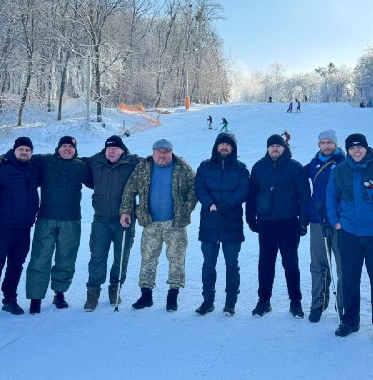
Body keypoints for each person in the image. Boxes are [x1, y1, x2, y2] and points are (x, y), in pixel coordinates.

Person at [326, 133, 373, 342]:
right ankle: (350, 320)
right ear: (347, 150)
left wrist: (370, 192)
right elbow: (331, 196)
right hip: (349, 233)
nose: (356, 151)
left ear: (366, 147)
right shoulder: (339, 170)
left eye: (360, 147)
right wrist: (335, 221)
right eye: (352, 148)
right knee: (349, 279)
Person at [120, 139, 197, 312]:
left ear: (171, 152)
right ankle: (146, 294)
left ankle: (173, 294)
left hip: (175, 224)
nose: (162, 155)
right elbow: (130, 189)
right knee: (148, 258)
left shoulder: (182, 168)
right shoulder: (143, 167)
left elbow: (195, 186)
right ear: (153, 152)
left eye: (166, 152)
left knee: (176, 259)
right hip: (151, 223)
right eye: (159, 152)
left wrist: (186, 209)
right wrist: (126, 211)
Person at [23, 136, 93, 313]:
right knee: (40, 258)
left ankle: (59, 293)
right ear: (58, 148)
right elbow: (23, 155)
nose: (67, 149)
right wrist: (5, 157)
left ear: (75, 150)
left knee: (66, 258)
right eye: (64, 146)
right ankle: (35, 298)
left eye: (71, 146)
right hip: (46, 218)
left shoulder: (82, 166)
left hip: (71, 220)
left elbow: (97, 175)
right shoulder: (45, 161)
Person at [246, 134, 311, 319]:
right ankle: (264, 301)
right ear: (267, 148)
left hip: (288, 222)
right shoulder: (259, 167)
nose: (275, 149)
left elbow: (305, 194)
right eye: (272, 146)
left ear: (284, 148)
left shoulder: (295, 167)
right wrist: (250, 217)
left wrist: (303, 221)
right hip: (266, 222)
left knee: (291, 264)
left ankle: (295, 302)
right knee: (265, 263)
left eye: (278, 146)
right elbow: (252, 194)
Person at [0, 137, 40, 323]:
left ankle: (9, 299)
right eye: (21, 149)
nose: (24, 152)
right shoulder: (0, 168)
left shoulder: (34, 169)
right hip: (1, 227)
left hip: (23, 227)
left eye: (28, 149)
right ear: (14, 150)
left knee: (16, 265)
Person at [193, 131, 250, 316]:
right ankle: (208, 301)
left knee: (232, 264)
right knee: (208, 264)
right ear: (216, 146)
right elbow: (199, 187)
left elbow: (243, 191)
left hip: (231, 223)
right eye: (221, 144)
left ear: (233, 148)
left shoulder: (241, 169)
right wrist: (210, 204)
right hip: (209, 222)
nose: (224, 147)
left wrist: (224, 205)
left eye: (228, 144)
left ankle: (230, 303)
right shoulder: (205, 166)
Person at [84, 135, 141, 310]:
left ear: (122, 150)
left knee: (121, 258)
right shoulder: (95, 161)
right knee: (97, 257)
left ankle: (115, 290)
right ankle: (93, 293)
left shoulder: (134, 163)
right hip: (101, 221)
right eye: (109, 149)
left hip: (124, 221)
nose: (111, 152)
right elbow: (70, 160)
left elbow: (155, 162)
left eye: (115, 149)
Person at [305, 129, 346, 323]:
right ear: (319, 145)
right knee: (319, 264)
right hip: (317, 220)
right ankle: (317, 303)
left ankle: (344, 305)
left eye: (330, 142)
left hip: (340, 222)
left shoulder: (345, 164)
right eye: (323, 143)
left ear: (336, 144)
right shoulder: (313, 165)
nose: (327, 146)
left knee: (342, 265)